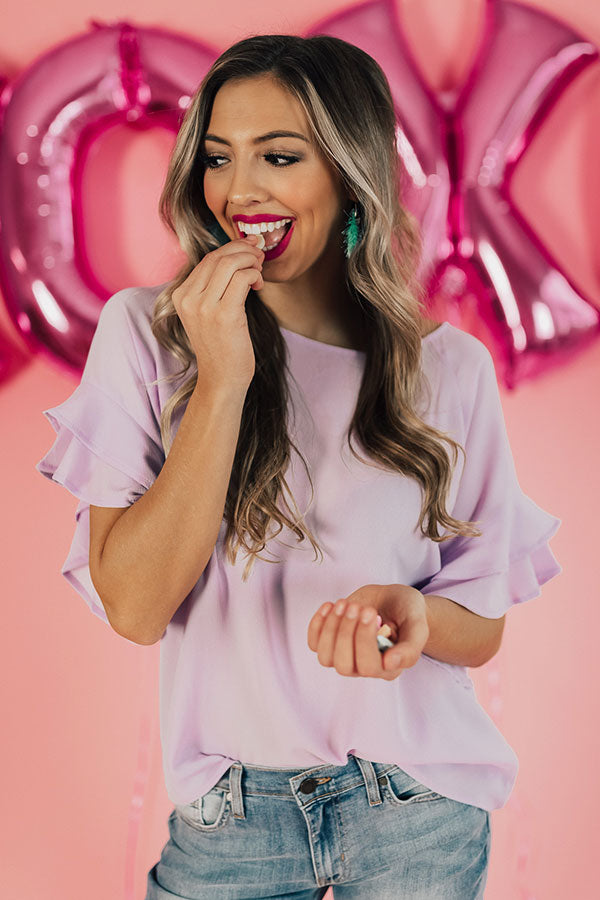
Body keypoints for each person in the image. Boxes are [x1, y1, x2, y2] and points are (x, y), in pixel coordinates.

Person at [36, 33, 562, 900]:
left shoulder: (450, 369)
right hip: (231, 822)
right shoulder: (148, 335)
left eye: (279, 157)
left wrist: (417, 619)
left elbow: (482, 622)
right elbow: (134, 606)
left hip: (415, 808)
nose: (240, 191)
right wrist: (223, 377)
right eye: (218, 157)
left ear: (350, 175)